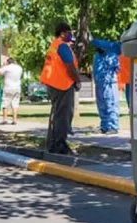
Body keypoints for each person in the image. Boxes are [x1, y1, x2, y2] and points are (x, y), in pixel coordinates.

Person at [40, 22, 81, 154]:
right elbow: (70, 67)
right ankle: (60, 145)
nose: (71, 35)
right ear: (62, 33)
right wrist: (78, 80)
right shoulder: (62, 46)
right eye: (69, 32)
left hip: (53, 84)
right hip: (62, 85)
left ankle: (52, 144)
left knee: (56, 115)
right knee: (62, 116)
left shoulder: (54, 45)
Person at [90, 39, 121, 134]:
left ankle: (113, 126)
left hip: (109, 83)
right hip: (99, 83)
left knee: (111, 103)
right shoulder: (97, 56)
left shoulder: (111, 55)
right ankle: (104, 126)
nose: (97, 49)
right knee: (101, 105)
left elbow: (116, 68)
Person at [0, 57, 23, 125]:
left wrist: (4, 65)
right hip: (17, 88)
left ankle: (5, 119)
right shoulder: (19, 68)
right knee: (15, 104)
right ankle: (14, 120)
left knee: (5, 103)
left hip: (8, 88)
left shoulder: (7, 67)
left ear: (8, 62)